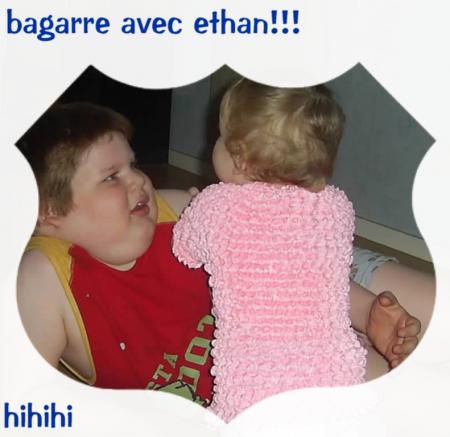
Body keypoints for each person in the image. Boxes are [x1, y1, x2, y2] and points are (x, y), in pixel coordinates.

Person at [16, 101, 426, 413]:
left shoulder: (178, 209)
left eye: (133, 164)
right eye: (111, 176)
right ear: (48, 211)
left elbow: (298, 278)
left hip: (298, 284)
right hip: (241, 397)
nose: (139, 179)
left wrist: (368, 313)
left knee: (396, 371)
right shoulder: (44, 277)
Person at [172, 79, 430, 422]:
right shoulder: (335, 208)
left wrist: (194, 207)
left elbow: (185, 249)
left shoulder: (214, 206)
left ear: (239, 158)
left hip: (252, 387)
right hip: (335, 377)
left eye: (219, 137)